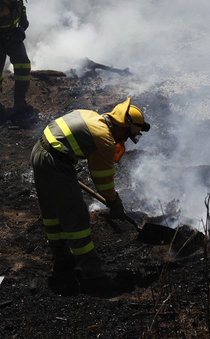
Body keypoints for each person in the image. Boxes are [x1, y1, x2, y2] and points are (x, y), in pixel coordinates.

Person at [30, 97, 151, 298]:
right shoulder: (103, 137)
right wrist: (115, 203)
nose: (125, 140)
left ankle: (62, 262)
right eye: (128, 135)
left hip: (41, 153)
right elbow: (102, 180)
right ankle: (94, 276)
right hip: (56, 162)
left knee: (53, 214)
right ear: (123, 125)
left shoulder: (89, 115)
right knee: (77, 217)